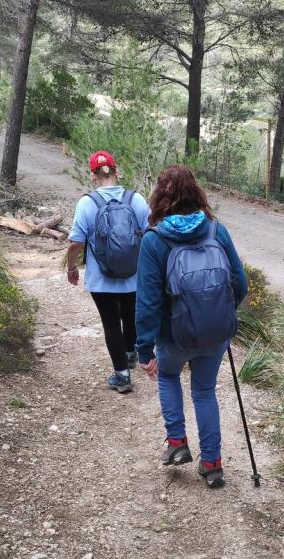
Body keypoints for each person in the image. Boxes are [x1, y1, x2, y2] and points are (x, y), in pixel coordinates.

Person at [136, 165, 248, 488]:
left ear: (159, 197)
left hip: (174, 336)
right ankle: (212, 464)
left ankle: (177, 442)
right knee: (204, 390)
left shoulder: (154, 240)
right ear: (196, 192)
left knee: (168, 375)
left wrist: (144, 348)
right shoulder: (216, 230)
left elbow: (147, 303)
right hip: (215, 335)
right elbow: (240, 284)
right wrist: (219, 313)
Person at [66, 151, 150, 394]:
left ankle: (122, 376)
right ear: (117, 171)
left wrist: (72, 268)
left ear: (93, 176)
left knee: (111, 323)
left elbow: (75, 243)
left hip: (101, 279)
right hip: (133, 275)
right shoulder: (136, 199)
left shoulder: (87, 203)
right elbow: (151, 233)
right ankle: (130, 352)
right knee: (130, 315)